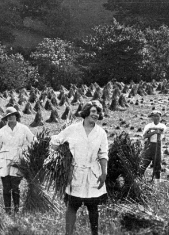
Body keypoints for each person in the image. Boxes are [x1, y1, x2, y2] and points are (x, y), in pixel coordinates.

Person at [50, 100, 108, 235]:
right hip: (75, 172)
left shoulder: (101, 133)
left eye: (98, 112)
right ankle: (68, 233)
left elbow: (103, 153)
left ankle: (95, 233)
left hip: (93, 172)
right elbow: (56, 141)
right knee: (72, 205)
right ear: (86, 112)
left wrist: (104, 173)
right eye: (93, 111)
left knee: (93, 206)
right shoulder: (73, 129)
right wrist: (62, 154)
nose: (96, 114)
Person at [0, 106, 34, 214]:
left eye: (13, 115)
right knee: (6, 187)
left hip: (17, 158)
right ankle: (8, 211)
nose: (11, 118)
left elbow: (33, 141)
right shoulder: (2, 130)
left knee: (15, 186)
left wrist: (31, 156)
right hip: (4, 158)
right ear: (6, 119)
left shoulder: (23, 128)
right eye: (8, 116)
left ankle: (16, 210)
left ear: (16, 116)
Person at [140, 110, 167, 181]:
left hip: (158, 147)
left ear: (160, 117)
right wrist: (154, 132)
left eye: (157, 116)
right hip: (149, 146)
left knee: (157, 165)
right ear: (152, 118)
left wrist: (154, 132)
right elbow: (144, 136)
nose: (156, 118)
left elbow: (161, 131)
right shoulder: (148, 126)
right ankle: (139, 179)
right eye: (154, 116)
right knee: (144, 163)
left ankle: (157, 182)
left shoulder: (162, 126)